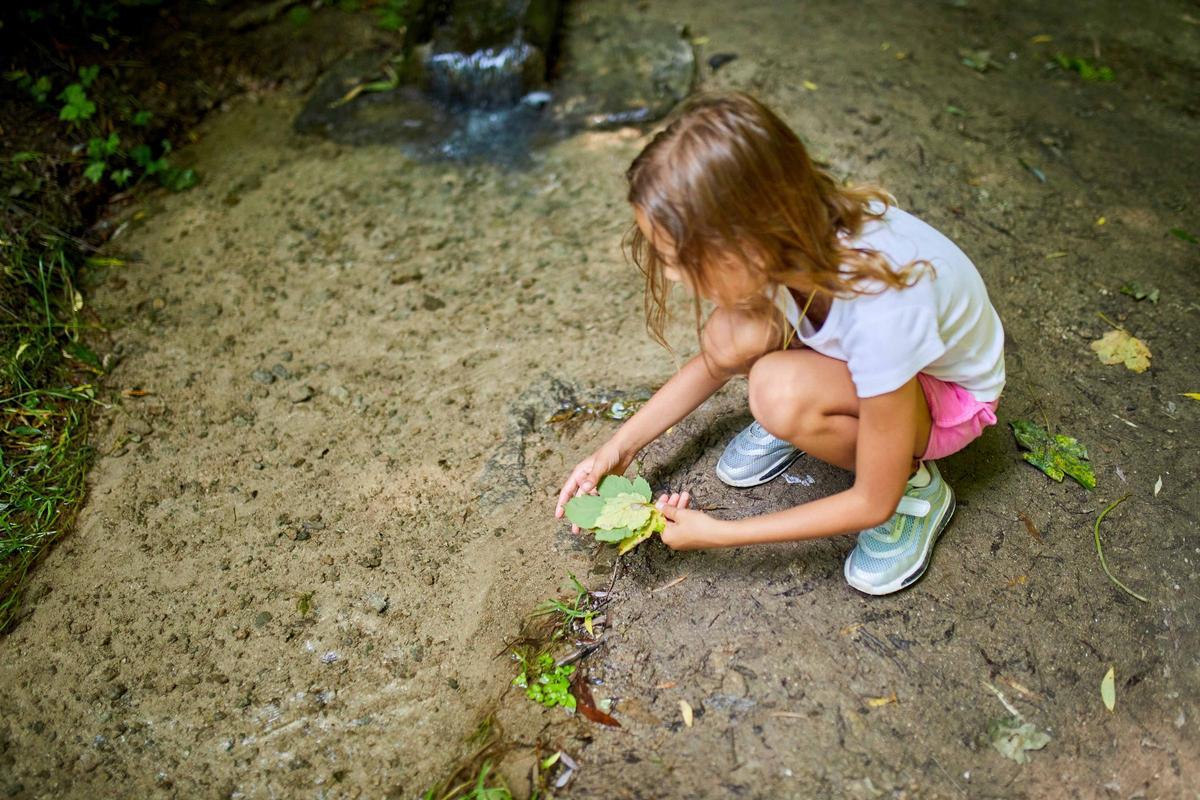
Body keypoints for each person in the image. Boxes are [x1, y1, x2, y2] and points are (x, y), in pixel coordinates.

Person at [553, 92, 1005, 596]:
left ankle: (915, 488)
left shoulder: (882, 317)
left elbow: (868, 502)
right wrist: (618, 448)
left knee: (777, 393)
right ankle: (816, 411)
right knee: (729, 337)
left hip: (947, 397)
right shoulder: (792, 235)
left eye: (675, 258)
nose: (670, 276)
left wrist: (720, 534)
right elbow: (713, 363)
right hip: (888, 361)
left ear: (744, 243)